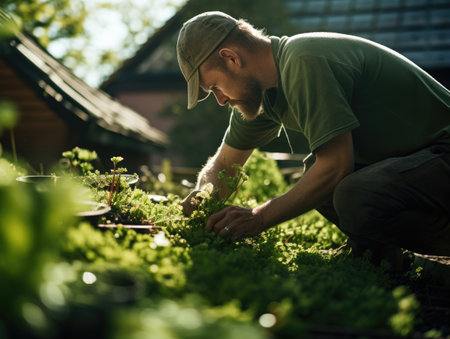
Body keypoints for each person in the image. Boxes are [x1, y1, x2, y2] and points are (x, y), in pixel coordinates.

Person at [176, 11, 450, 266]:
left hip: (443, 152)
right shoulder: (260, 96)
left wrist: (257, 219)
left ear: (231, 58)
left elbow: (335, 167)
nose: (221, 100)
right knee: (317, 179)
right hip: (418, 164)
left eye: (214, 87)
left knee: (351, 192)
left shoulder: (303, 59)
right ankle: (380, 260)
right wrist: (202, 202)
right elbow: (224, 165)